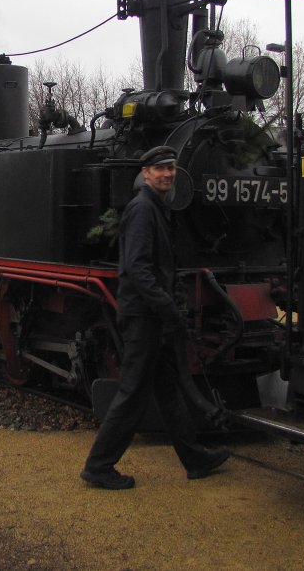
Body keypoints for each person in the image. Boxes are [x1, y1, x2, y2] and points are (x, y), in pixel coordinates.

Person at [80, 145, 230, 490]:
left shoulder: (157, 208)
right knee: (133, 392)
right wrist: (166, 305)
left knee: (168, 389)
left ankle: (195, 459)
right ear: (145, 174)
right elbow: (138, 267)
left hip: (154, 315)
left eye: (171, 168)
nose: (167, 173)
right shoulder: (143, 209)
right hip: (144, 316)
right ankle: (98, 466)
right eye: (159, 169)